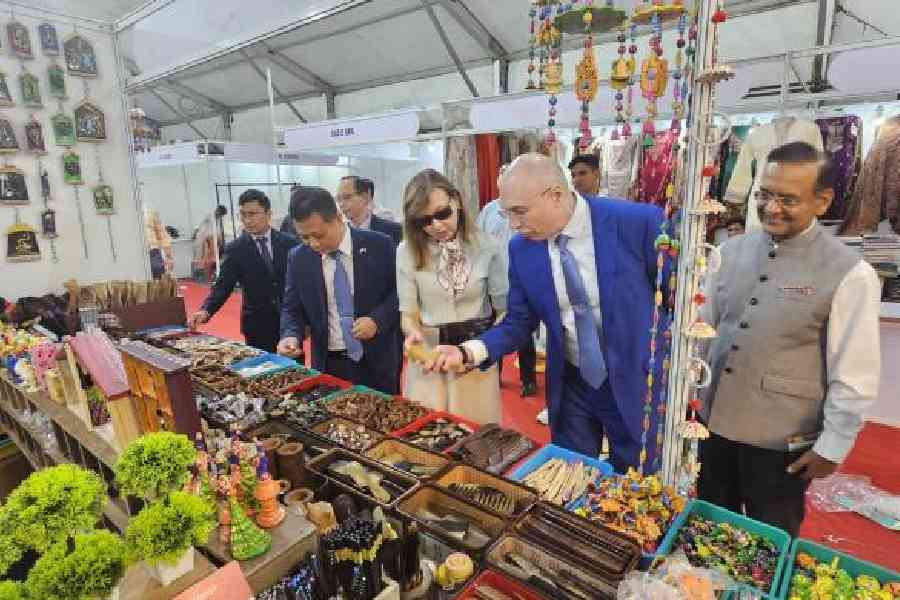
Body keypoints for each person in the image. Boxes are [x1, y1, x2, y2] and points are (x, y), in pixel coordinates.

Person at [420, 153, 667, 473]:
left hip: (635, 381)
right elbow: (519, 321)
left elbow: (672, 299)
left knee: (635, 482)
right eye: (506, 213)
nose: (512, 225)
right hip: (573, 381)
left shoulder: (638, 223)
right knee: (572, 475)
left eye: (519, 212)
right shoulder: (523, 248)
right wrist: (468, 352)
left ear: (556, 195)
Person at [698, 142, 880, 536]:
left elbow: (854, 372)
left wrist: (833, 445)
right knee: (706, 528)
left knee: (770, 540)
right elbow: (704, 330)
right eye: (763, 194)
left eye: (787, 199)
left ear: (822, 201)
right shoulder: (730, 251)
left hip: (782, 444)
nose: (771, 207)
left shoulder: (851, 273)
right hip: (713, 425)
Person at [400, 169, 507, 424]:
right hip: (429, 359)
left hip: (473, 357)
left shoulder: (487, 246)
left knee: (478, 442)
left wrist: (482, 349)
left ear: (457, 201)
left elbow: (504, 311)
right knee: (427, 443)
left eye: (443, 214)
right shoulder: (406, 251)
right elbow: (408, 313)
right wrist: (412, 332)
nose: (436, 226)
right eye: (424, 221)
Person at [277, 186, 401, 394]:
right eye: (304, 237)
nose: (313, 244)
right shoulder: (299, 257)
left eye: (318, 235)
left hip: (376, 360)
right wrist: (290, 335)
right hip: (329, 363)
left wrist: (377, 320)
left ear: (337, 217)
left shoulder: (380, 245)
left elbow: (400, 294)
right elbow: (291, 308)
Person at [189, 189, 298, 353]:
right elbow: (223, 286)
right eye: (243, 215)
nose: (247, 220)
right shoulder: (235, 249)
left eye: (253, 214)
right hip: (257, 326)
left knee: (296, 371)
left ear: (268, 214)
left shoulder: (290, 243)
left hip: (290, 325)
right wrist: (206, 310)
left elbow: (301, 285)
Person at [476, 165, 538, 398]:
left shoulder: (526, 212)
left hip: (521, 279)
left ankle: (528, 379)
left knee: (524, 330)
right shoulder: (489, 211)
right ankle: (495, 375)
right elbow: (478, 240)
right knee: (496, 326)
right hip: (495, 279)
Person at [337, 176, 402, 245]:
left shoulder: (394, 230)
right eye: (338, 199)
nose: (341, 204)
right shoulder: (339, 236)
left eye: (347, 197)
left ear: (365, 197)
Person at [143, 204, 173, 279]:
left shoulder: (150, 213)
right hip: (135, 254)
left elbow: (162, 235)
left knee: (158, 275)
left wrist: (168, 256)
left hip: (152, 251)